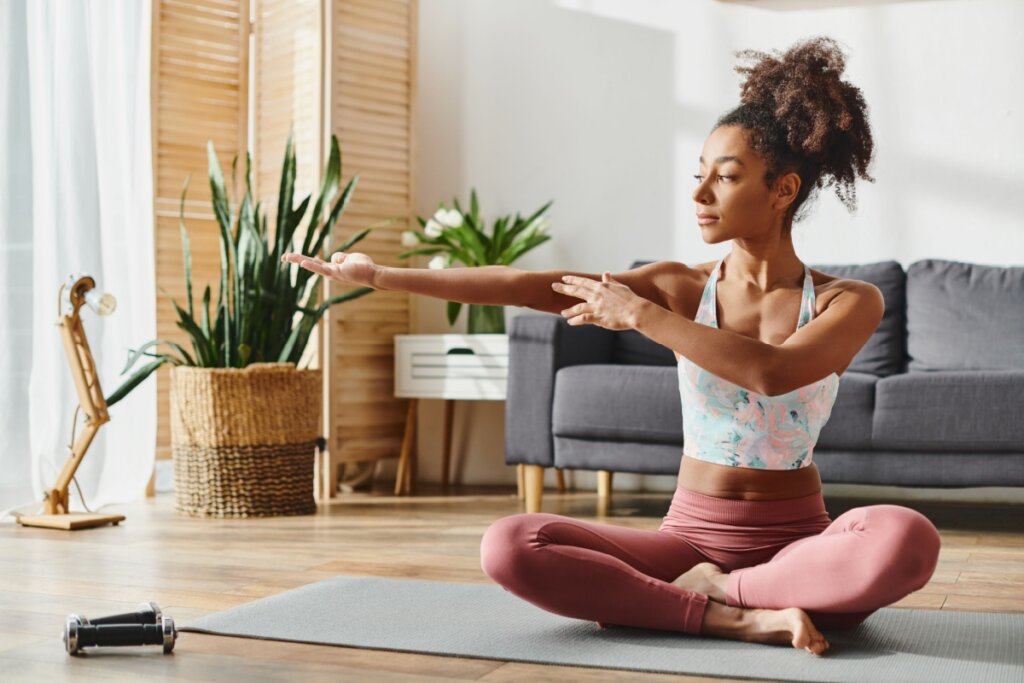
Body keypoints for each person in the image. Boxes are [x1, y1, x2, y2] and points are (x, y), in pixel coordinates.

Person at [282, 35, 941, 657]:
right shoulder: (678, 286)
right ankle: (732, 614)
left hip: (799, 547)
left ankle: (723, 592)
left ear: (783, 189)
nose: (699, 193)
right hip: (686, 538)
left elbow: (774, 373)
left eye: (726, 176)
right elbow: (529, 285)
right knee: (512, 542)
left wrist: (640, 316)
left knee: (907, 539)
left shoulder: (848, 300)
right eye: (699, 173)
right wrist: (383, 275)